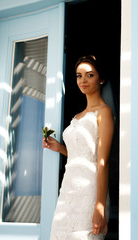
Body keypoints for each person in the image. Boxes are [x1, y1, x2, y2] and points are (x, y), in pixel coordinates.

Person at [43, 55, 114, 240]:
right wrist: (60, 148)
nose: (83, 80)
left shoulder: (103, 113)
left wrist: (99, 206)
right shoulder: (77, 116)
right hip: (68, 191)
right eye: (79, 75)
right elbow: (82, 155)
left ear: (102, 78)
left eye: (90, 75)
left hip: (89, 192)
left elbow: (102, 162)